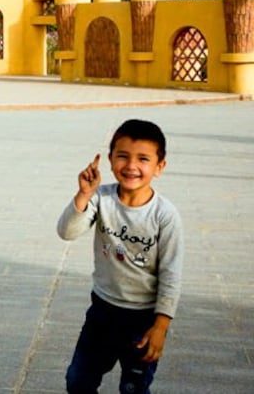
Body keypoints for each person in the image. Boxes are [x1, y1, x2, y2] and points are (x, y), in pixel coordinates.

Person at [57, 119, 183, 393]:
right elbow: (67, 232)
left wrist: (161, 326)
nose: (131, 166)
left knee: (133, 387)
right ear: (111, 159)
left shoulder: (165, 215)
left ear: (159, 167)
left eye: (143, 159)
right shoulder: (100, 198)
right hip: (103, 312)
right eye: (123, 156)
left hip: (144, 319)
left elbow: (171, 273)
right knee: (78, 381)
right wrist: (83, 194)